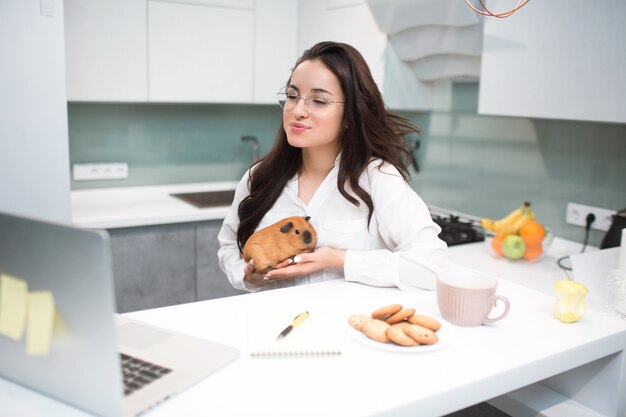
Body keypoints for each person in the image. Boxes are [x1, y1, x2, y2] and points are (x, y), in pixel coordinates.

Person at [218, 41, 447, 292]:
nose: (298, 110)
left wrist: (337, 259)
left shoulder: (377, 178)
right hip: (274, 325)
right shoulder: (258, 177)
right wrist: (249, 276)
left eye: (319, 101)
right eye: (293, 96)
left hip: (346, 328)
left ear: (349, 115)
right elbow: (229, 247)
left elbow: (431, 267)